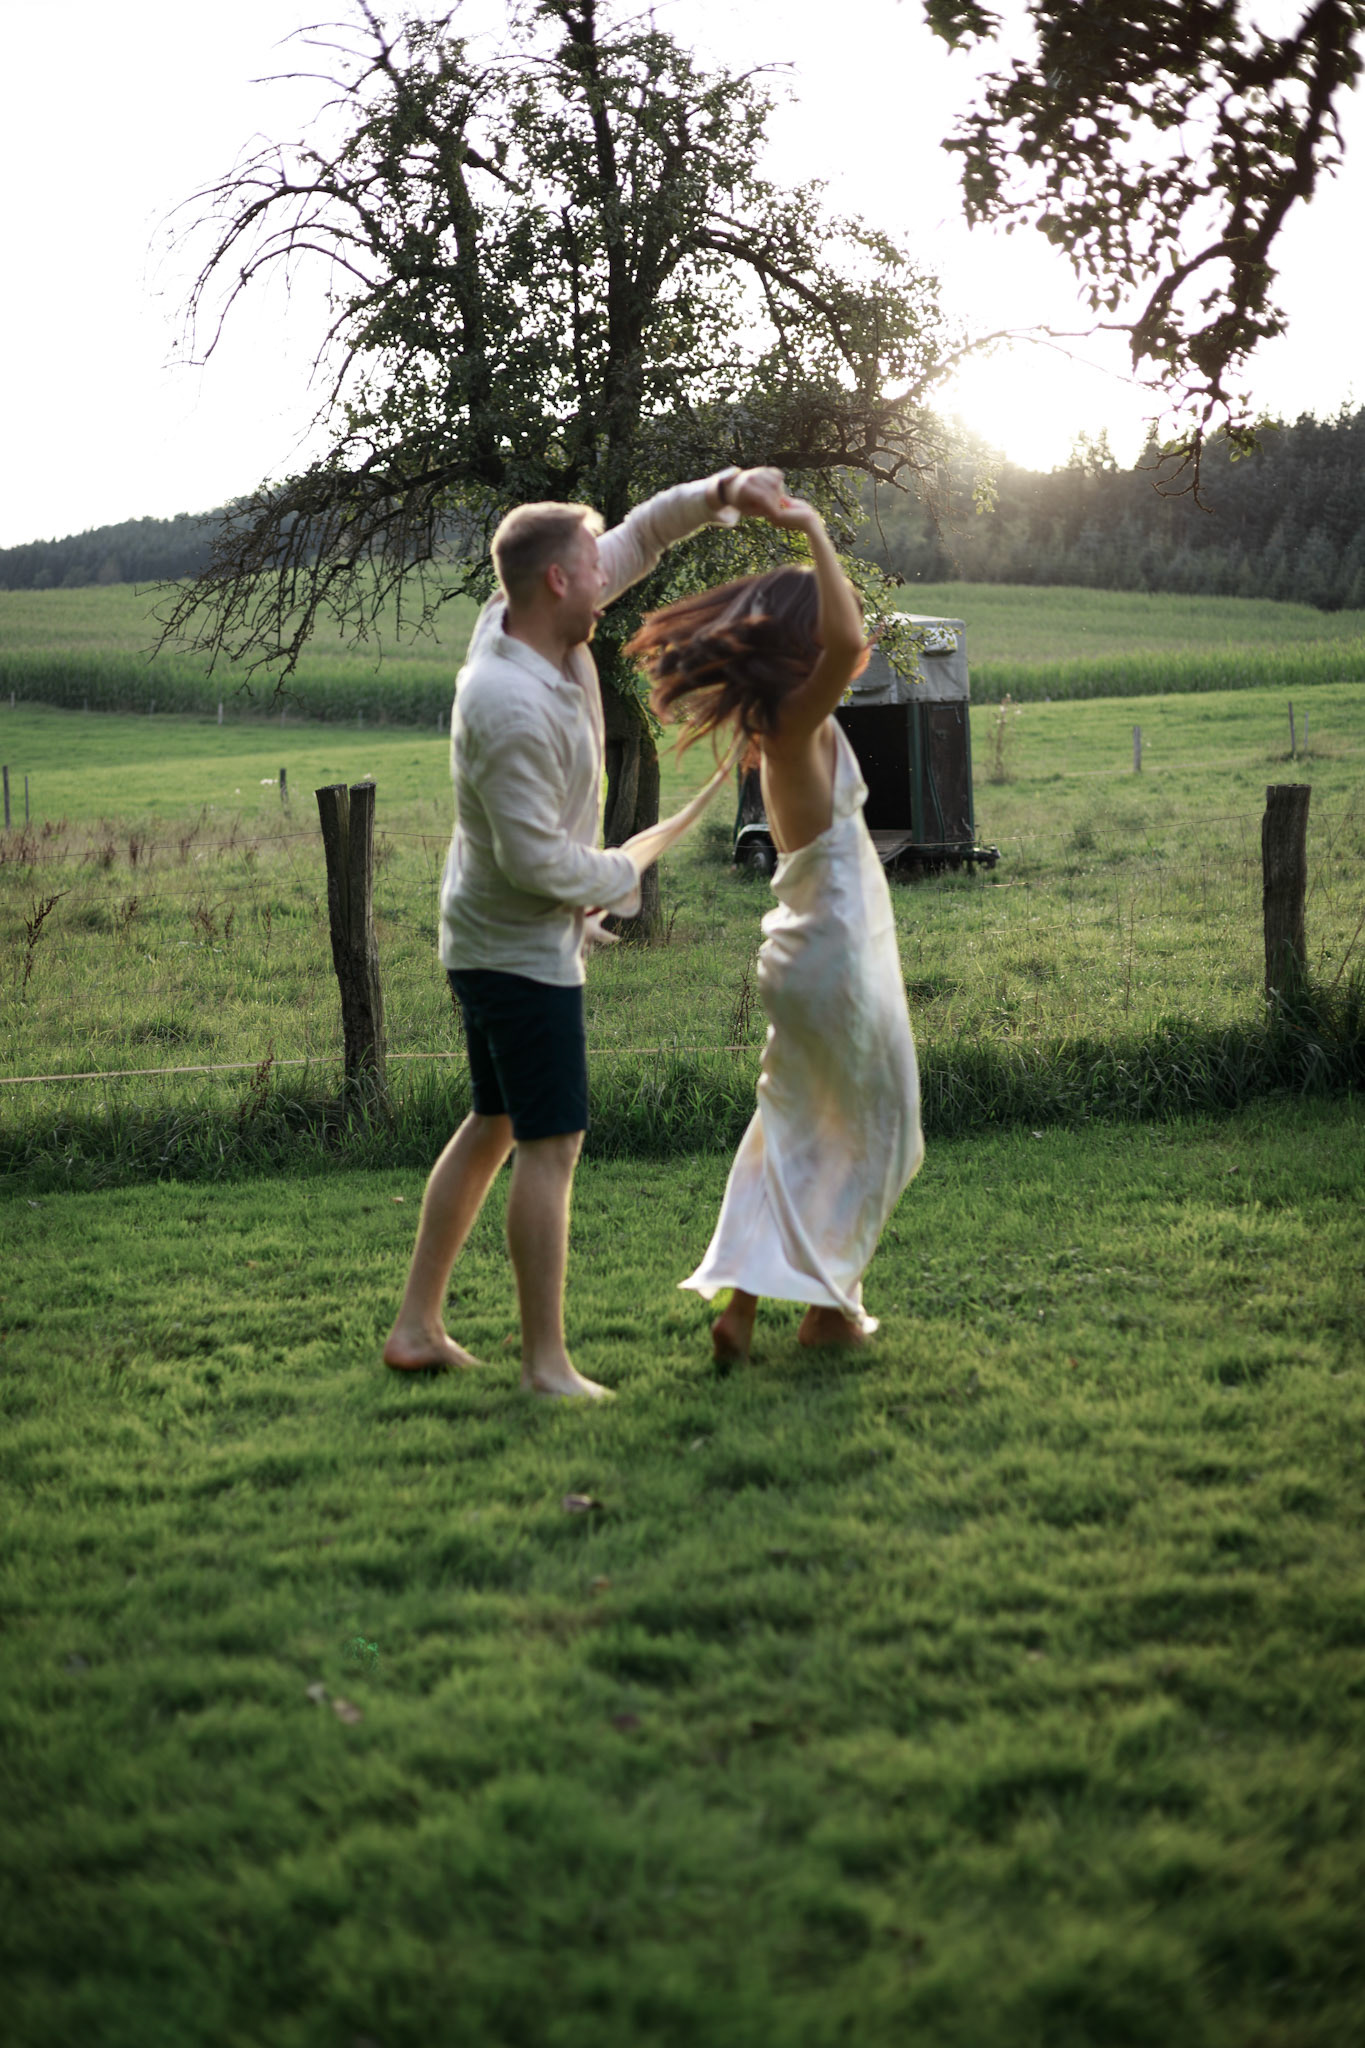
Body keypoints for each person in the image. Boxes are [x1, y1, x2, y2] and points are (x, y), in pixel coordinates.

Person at [383, 466, 787, 1397]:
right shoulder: (503, 701)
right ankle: (544, 1365)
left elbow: (642, 533)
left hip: (498, 935)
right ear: (556, 580)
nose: (608, 578)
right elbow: (535, 861)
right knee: (550, 1143)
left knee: (494, 1123)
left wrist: (726, 490)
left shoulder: (530, 612)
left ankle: (416, 1328)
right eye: (590, 568)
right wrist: (617, 879)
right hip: (513, 950)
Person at [626, 495, 924, 1360]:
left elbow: (845, 636)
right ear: (806, 645)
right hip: (834, 954)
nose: (856, 640)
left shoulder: (786, 725)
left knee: (796, 1128)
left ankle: (746, 1306)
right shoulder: (795, 718)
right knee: (879, 1131)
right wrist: (812, 528)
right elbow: (848, 635)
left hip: (806, 952)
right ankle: (828, 1312)